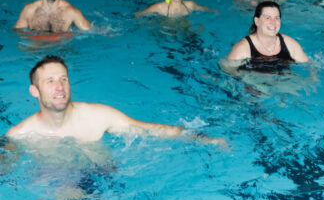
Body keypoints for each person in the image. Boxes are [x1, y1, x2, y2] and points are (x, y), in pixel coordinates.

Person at [6, 56, 227, 147]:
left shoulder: (98, 116)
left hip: (103, 181)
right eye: (50, 81)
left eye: (64, 79)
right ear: (34, 91)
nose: (60, 87)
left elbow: (147, 129)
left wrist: (203, 138)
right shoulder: (19, 136)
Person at [227, 1, 308, 70]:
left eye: (276, 18)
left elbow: (309, 67)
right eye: (267, 18)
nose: (273, 22)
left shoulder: (290, 44)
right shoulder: (242, 49)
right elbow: (228, 72)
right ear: (257, 21)